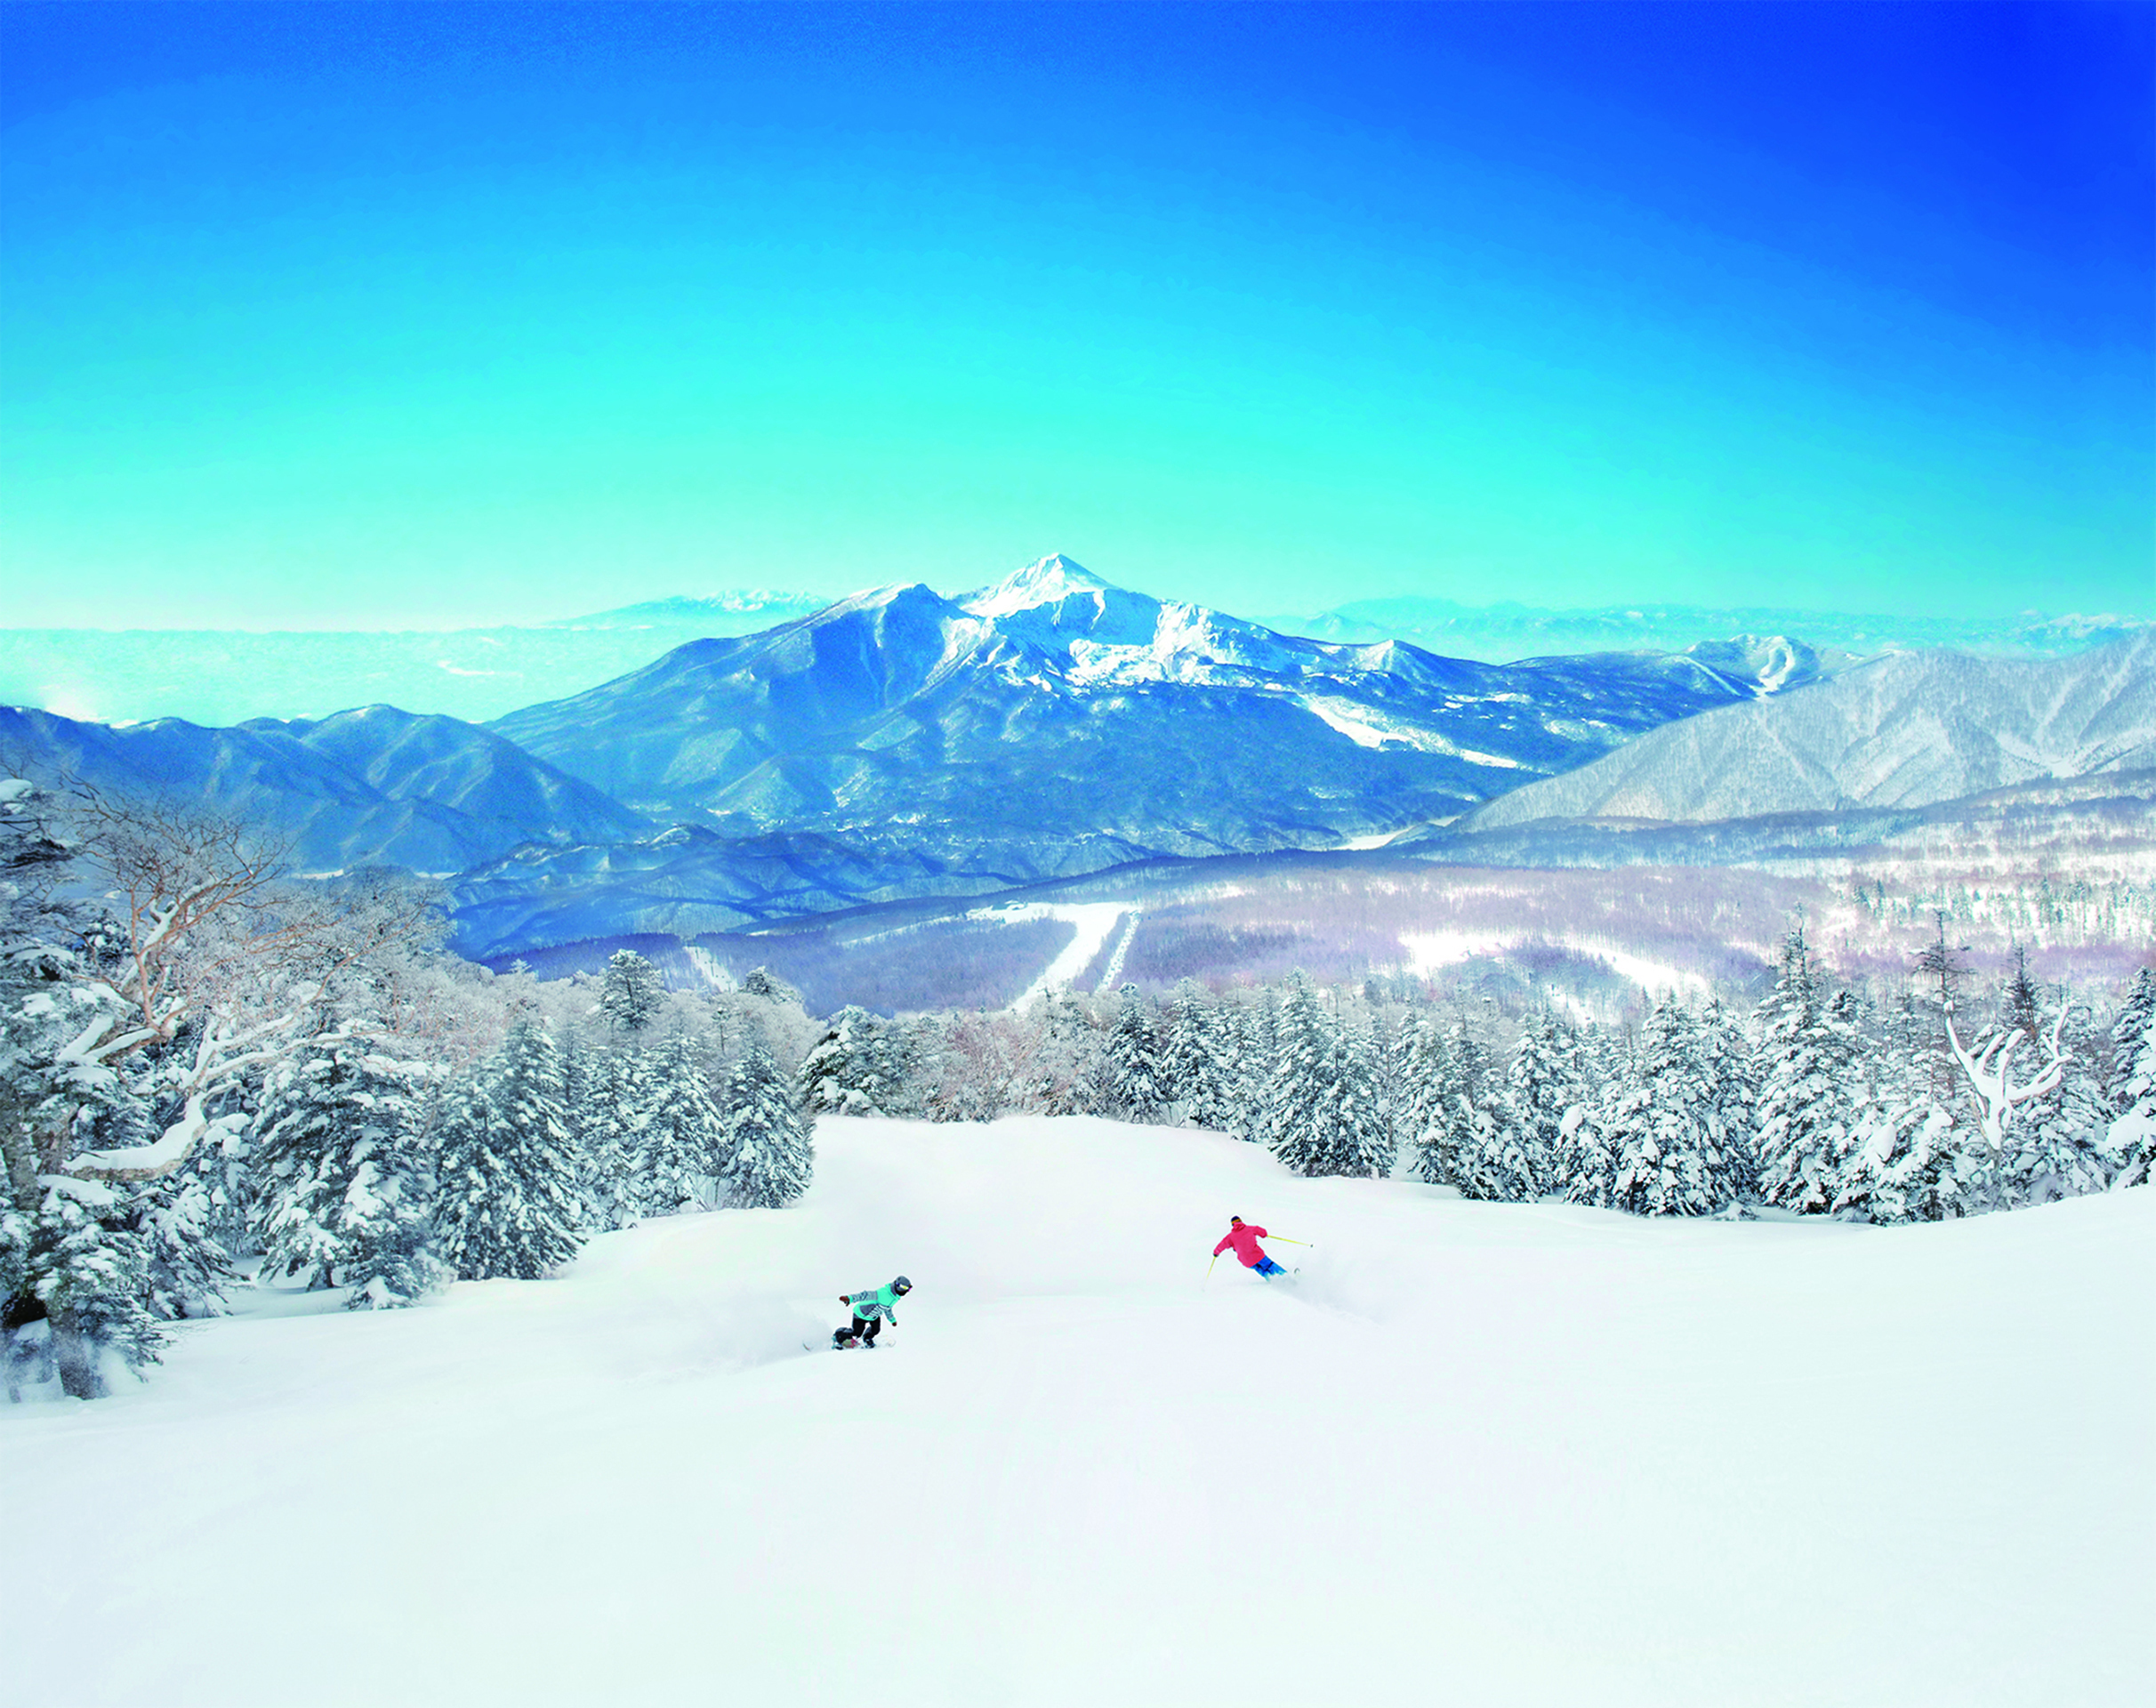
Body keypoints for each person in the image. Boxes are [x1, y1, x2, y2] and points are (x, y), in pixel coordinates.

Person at [833, 1275, 912, 1349]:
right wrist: (850, 1299)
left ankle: (867, 1338)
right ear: (897, 1285)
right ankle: (839, 1336)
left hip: (874, 1316)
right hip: (861, 1314)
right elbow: (865, 1295)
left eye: (908, 1289)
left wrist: (892, 1320)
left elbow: (887, 1308)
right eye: (904, 1288)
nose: (906, 1291)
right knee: (857, 1333)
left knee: (875, 1330)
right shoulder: (882, 1293)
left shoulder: (894, 1298)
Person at [1213, 1216, 1289, 1278]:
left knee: (1259, 1269)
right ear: (1241, 1221)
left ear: (1232, 1225)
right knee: (1269, 1265)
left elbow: (1221, 1245)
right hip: (1257, 1255)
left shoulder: (1230, 1237)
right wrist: (1264, 1235)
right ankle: (1285, 1276)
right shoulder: (1250, 1229)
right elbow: (1263, 1233)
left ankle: (1272, 1279)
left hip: (1246, 1261)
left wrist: (1216, 1253)